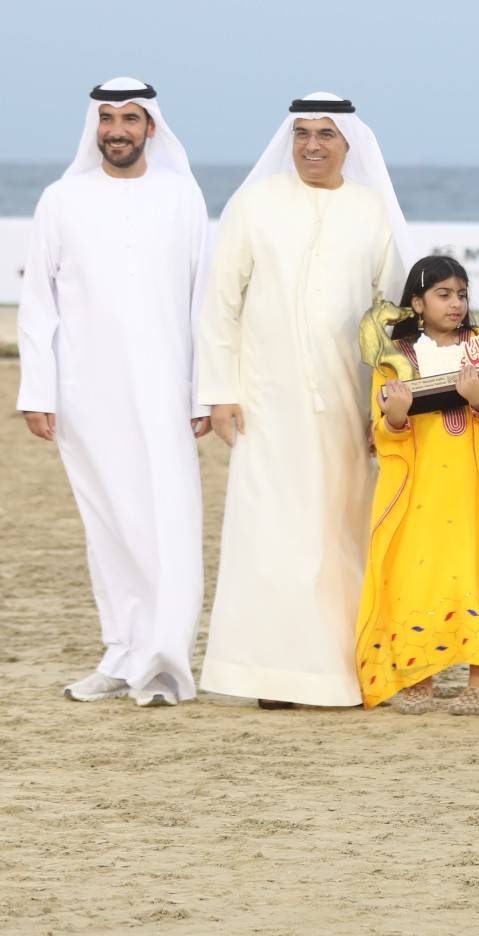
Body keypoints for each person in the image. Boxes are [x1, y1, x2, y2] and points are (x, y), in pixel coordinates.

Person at [197, 93, 406, 709]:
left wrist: (385, 403)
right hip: (263, 402)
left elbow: (392, 317)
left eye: (326, 134)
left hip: (346, 405)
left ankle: (341, 669)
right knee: (268, 533)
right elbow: (220, 304)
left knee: (337, 530)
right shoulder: (255, 205)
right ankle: (269, 677)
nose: (313, 145)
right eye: (302, 134)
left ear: (349, 144)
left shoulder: (372, 212)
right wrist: (220, 392)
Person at [15, 78, 208, 707]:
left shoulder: (182, 195)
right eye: (107, 118)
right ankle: (121, 653)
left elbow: (203, 302)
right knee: (108, 524)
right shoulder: (61, 198)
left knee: (168, 521)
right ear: (94, 126)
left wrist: (203, 392)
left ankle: (165, 662)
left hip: (165, 389)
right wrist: (37, 389)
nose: (117, 130)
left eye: (130, 118)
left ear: (152, 126)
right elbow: (39, 301)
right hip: (83, 391)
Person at [355, 256, 479, 715]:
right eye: (443, 294)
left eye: (462, 294)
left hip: (472, 490)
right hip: (420, 492)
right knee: (418, 574)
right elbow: (384, 429)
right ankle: (419, 678)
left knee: (474, 572)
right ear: (417, 302)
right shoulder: (396, 356)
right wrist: (395, 413)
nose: (456, 304)